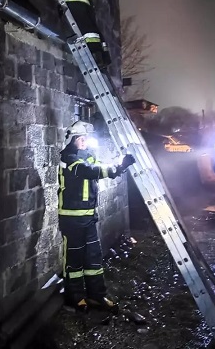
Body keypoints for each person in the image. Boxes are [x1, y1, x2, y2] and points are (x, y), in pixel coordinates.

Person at [58, 120, 135, 313]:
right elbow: (88, 171)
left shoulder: (87, 157)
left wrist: (119, 167)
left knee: (93, 258)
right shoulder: (68, 158)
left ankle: (97, 295)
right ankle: (74, 298)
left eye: (86, 138)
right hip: (72, 219)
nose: (84, 142)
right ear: (72, 139)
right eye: (80, 139)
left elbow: (99, 167)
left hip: (89, 217)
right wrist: (116, 167)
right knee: (74, 260)